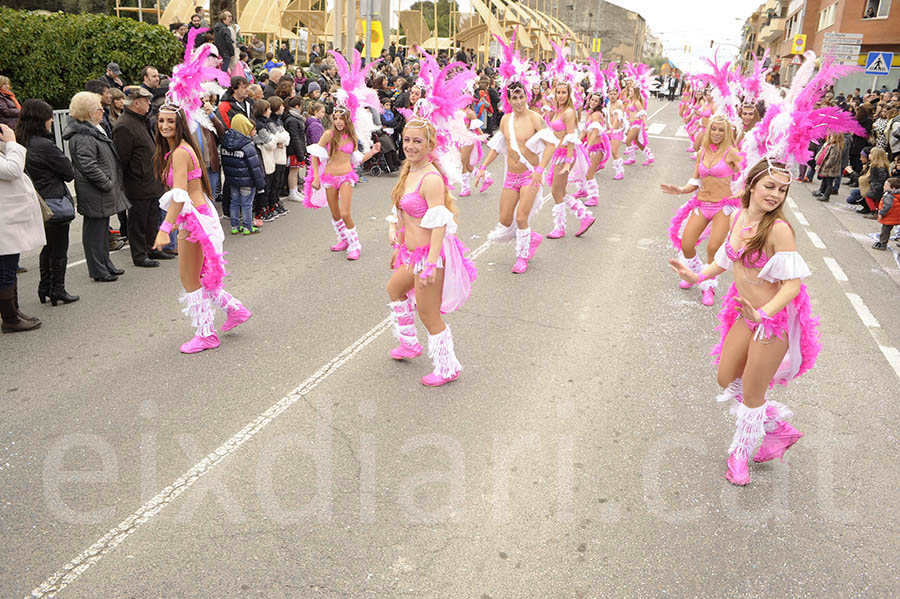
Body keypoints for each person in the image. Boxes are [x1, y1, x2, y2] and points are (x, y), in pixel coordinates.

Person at [670, 159, 819, 486]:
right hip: (745, 317)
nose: (776, 195)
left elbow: (792, 285)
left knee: (752, 392)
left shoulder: (778, 229)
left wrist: (764, 315)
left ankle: (740, 454)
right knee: (726, 377)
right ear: (751, 185)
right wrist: (697, 275)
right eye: (769, 186)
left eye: (782, 190)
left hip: (771, 323)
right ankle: (774, 427)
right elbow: (724, 259)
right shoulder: (738, 217)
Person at [153, 103, 252, 353]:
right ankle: (234, 309)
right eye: (161, 121)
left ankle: (206, 334)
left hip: (194, 218)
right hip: (196, 215)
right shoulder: (180, 149)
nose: (164, 126)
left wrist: (165, 228)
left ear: (180, 124)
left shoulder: (179, 152)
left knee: (189, 278)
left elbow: (180, 194)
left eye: (170, 121)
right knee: (198, 276)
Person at [386, 115, 476, 386]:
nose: (410, 146)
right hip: (411, 255)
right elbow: (403, 215)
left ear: (429, 144)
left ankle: (448, 368)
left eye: (417, 141)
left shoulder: (431, 178)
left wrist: (431, 264)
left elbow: (439, 226)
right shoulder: (409, 171)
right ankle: (409, 344)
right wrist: (398, 244)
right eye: (407, 140)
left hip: (428, 257)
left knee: (428, 314)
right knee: (394, 289)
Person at [474, 35, 555, 274]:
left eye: (521, 96)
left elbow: (551, 145)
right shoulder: (506, 120)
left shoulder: (535, 118)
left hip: (530, 175)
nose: (518, 100)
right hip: (511, 177)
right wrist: (482, 167)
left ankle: (521, 257)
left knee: (521, 218)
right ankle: (533, 238)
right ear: (508, 100)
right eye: (514, 97)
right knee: (506, 219)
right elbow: (498, 147)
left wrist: (540, 171)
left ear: (526, 96)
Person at [304, 50, 381, 261]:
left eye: (341, 118)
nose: (338, 121)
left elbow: (356, 160)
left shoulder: (352, 137)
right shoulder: (328, 135)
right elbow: (316, 155)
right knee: (335, 214)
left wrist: (372, 153)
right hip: (329, 178)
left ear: (346, 120)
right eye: (335, 117)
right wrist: (317, 178)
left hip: (346, 177)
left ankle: (355, 244)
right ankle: (343, 239)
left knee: (346, 212)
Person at [661, 115, 742, 305]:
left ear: (727, 132)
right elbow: (695, 181)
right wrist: (680, 190)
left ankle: (709, 287)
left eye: (721, 130)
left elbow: (747, 174)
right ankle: (697, 275)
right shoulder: (702, 152)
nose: (716, 133)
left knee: (713, 248)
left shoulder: (732, 153)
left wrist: (741, 192)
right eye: (714, 129)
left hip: (723, 207)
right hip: (701, 204)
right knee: (686, 244)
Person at [16, 100, 79, 306]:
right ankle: (57, 289)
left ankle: (45, 287)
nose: (52, 120)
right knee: (59, 247)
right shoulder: (44, 145)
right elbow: (68, 172)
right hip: (54, 200)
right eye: (49, 116)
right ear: (40, 120)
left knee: (48, 246)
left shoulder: (20, 141)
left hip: (36, 201)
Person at [63, 91, 130, 282]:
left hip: (99, 190)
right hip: (96, 190)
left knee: (101, 231)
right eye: (99, 108)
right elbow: (88, 165)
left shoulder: (92, 129)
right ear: (89, 112)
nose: (103, 111)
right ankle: (99, 270)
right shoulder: (83, 135)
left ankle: (106, 265)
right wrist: (107, 182)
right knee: (94, 233)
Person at [114, 86, 172, 268]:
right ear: (136, 102)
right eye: (146, 100)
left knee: (152, 217)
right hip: (138, 182)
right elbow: (121, 159)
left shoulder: (141, 120)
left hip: (151, 179)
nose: (149, 103)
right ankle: (139, 255)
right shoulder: (124, 125)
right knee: (138, 221)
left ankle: (152, 248)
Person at [0, 122, 45, 332]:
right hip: (4, 221)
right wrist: (11, 143)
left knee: (9, 268)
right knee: (5, 271)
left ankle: (14, 311)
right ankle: (9, 318)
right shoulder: (10, 144)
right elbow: (12, 169)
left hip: (8, 219)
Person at [221, 114, 266, 234]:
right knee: (246, 204)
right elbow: (255, 167)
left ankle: (235, 226)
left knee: (234, 202)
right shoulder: (247, 145)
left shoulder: (225, 142)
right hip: (247, 180)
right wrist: (260, 184)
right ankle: (247, 226)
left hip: (232, 180)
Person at [283, 96, 307, 202]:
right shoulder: (292, 120)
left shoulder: (294, 118)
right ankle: (292, 192)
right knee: (293, 171)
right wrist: (300, 153)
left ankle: (295, 190)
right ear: (297, 106)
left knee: (295, 170)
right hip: (294, 149)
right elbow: (295, 137)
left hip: (297, 148)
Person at [812, 132, 844, 202]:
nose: (830, 138)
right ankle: (821, 191)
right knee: (824, 180)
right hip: (827, 168)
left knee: (829, 183)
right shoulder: (831, 145)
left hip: (831, 169)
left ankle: (826, 196)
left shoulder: (836, 148)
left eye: (832, 137)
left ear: (836, 138)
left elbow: (832, 159)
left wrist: (826, 165)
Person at [872, 177, 900, 250]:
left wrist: (881, 213)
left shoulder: (888, 196)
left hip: (890, 217)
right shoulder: (897, 194)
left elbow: (887, 206)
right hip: (896, 216)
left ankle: (882, 244)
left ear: (893, 188)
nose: (884, 187)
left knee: (885, 231)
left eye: (886, 186)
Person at [862, 147, 891, 218]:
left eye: (871, 154)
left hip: (878, 187)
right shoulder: (873, 166)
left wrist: (877, 187)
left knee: (869, 197)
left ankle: (873, 211)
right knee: (875, 200)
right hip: (874, 186)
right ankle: (877, 211)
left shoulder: (881, 168)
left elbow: (882, 179)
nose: (869, 155)